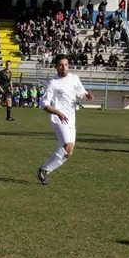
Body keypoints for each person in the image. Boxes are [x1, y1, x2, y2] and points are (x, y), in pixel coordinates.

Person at [36, 54, 94, 186]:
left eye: (66, 65)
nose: (64, 67)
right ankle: (43, 170)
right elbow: (43, 104)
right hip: (58, 119)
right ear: (56, 67)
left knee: (68, 152)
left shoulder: (74, 78)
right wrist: (57, 112)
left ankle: (44, 170)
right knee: (67, 146)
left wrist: (87, 96)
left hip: (71, 118)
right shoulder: (53, 83)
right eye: (61, 65)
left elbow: (81, 92)